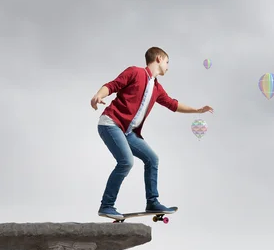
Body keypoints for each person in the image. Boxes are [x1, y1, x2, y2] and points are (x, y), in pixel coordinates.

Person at [90, 47, 213, 220]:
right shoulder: (135, 72)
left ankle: (152, 201)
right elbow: (112, 85)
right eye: (167, 62)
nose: (168, 67)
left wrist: (197, 110)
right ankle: (107, 205)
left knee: (152, 159)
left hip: (128, 132)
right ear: (158, 58)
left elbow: (173, 104)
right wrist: (98, 95)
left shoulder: (156, 87)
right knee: (126, 162)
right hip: (111, 124)